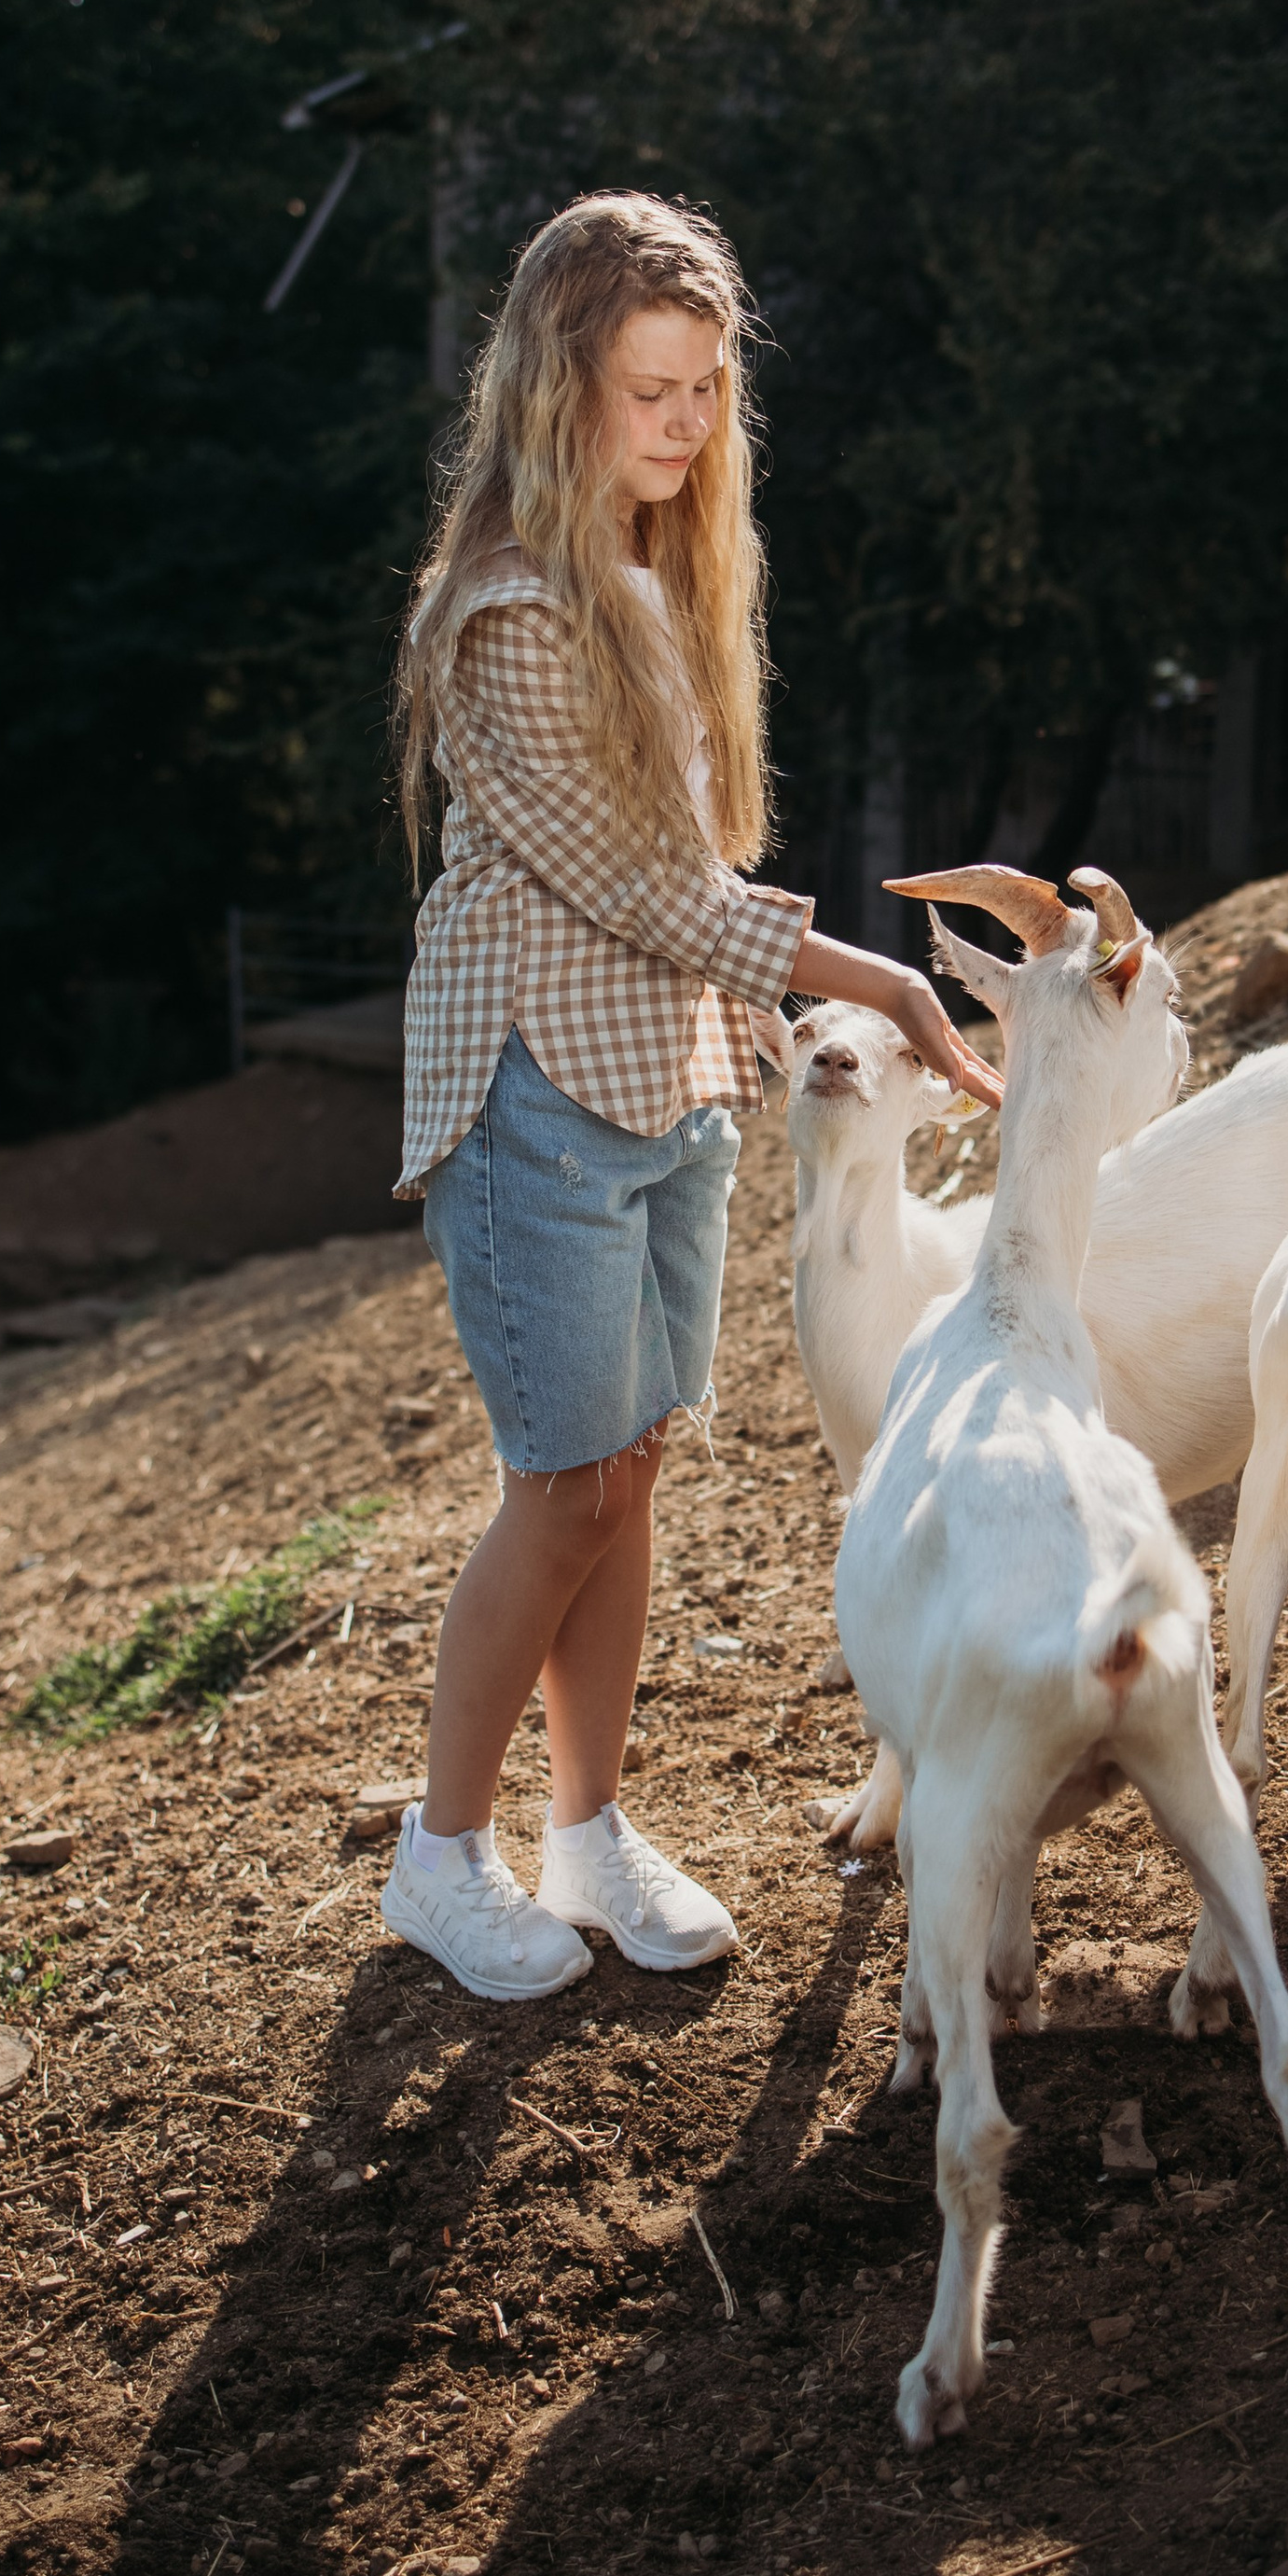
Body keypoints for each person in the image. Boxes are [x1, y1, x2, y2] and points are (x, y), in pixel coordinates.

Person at [381, 191, 1002, 2003]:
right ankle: (440, 1858)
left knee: (630, 1475)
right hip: (534, 1087)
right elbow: (643, 888)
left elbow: (686, 866)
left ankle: (587, 1832)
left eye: (704, 390)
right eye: (643, 391)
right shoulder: (502, 611)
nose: (678, 426)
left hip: (669, 1078)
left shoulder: (661, 581)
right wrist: (876, 978)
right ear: (549, 388)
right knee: (562, 1484)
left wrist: (748, 1030)